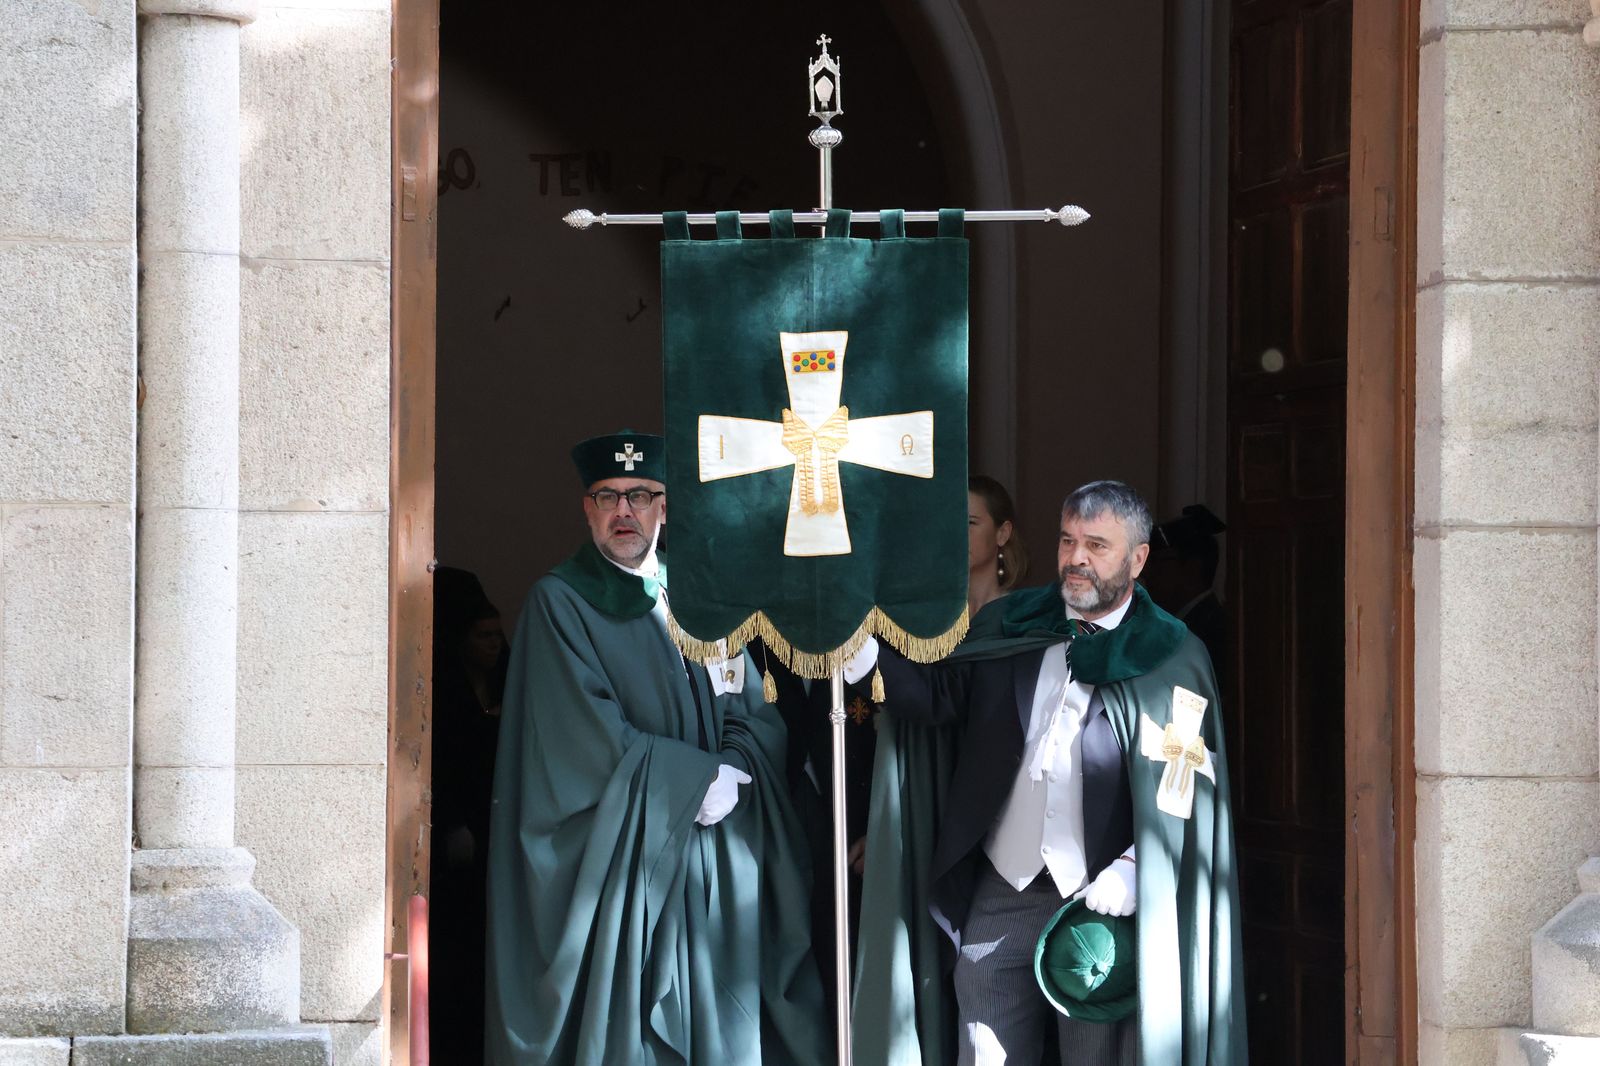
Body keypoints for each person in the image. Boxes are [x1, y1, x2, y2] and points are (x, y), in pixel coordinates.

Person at [849, 480, 1244, 1066]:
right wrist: (858, 654)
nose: (1077, 559)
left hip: (1096, 898)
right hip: (1000, 886)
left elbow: (1184, 780)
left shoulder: (1170, 654)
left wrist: (1137, 866)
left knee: (1095, 1057)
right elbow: (940, 697)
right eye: (1067, 541)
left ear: (1138, 559)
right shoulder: (1013, 623)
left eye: (1097, 545)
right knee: (984, 1050)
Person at [484, 430, 828, 1066]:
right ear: (586, 510)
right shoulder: (559, 604)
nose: (624, 511)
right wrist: (692, 781)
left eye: (641, 496)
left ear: (664, 508)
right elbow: (579, 741)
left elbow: (753, 707)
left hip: (712, 856)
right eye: (608, 496)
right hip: (626, 861)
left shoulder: (697, 597)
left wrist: (735, 767)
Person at [430, 566, 507, 1064]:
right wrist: (455, 824)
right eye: (482, 635)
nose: (494, 645)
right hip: (455, 842)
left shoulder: (510, 680)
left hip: (500, 831)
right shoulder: (441, 691)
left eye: (498, 634)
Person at [1141, 503, 1228, 694]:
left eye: (1156, 562)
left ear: (1192, 567)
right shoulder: (1186, 624)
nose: (1146, 573)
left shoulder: (1212, 631)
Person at [968, 474, 1028, 621]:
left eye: (970, 522)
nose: (956, 533)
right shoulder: (935, 616)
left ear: (1002, 533)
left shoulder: (1019, 618)